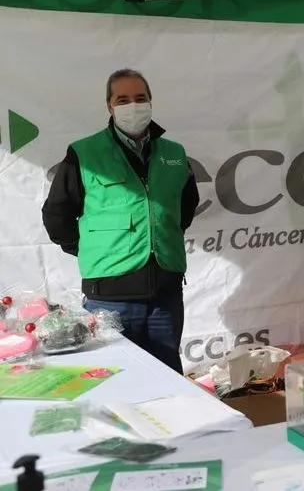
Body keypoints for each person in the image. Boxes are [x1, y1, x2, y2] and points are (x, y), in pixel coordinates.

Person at [42, 69, 200, 374]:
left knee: (167, 378)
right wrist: (91, 246)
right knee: (113, 380)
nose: (133, 105)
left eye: (140, 98)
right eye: (123, 99)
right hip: (110, 299)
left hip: (165, 296)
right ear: (109, 106)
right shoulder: (84, 153)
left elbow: (185, 207)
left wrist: (161, 235)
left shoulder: (175, 154)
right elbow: (56, 215)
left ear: (151, 102)